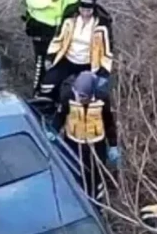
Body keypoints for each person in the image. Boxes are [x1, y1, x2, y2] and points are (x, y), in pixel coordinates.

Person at [51, 71, 120, 201]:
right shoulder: (68, 97)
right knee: (76, 174)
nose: (79, 98)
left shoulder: (102, 99)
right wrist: (52, 132)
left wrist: (113, 145)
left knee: (95, 176)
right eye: (77, 94)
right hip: (73, 143)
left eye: (82, 96)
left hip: (96, 144)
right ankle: (77, 200)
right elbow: (59, 117)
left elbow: (109, 123)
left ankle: (97, 203)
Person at [39, 0, 113, 101]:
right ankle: (49, 107)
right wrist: (51, 55)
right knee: (47, 85)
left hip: (88, 63)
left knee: (84, 91)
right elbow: (59, 39)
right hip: (67, 59)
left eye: (88, 10)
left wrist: (104, 69)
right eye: (83, 9)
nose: (85, 13)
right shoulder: (70, 20)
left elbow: (107, 49)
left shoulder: (101, 26)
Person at [24, 0, 79, 94]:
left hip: (64, 24)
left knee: (62, 58)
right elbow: (32, 1)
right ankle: (37, 92)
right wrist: (50, 0)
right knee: (41, 61)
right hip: (42, 26)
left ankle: (56, 90)